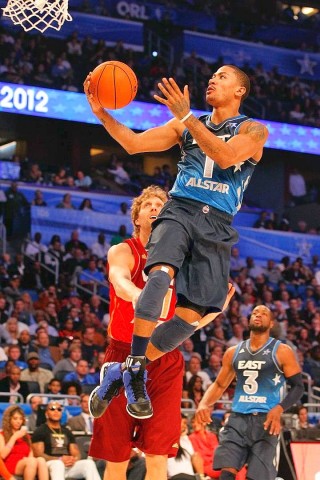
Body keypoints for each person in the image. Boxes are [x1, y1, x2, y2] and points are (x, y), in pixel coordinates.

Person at [84, 64, 269, 419]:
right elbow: (133, 143)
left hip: (217, 222)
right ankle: (135, 368)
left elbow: (227, 156)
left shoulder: (253, 130)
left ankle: (121, 369)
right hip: (180, 208)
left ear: (240, 91)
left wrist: (187, 117)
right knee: (160, 273)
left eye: (222, 76)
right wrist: (101, 113)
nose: (212, 79)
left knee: (193, 314)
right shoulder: (185, 124)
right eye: (212, 75)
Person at [195, 305, 304, 480]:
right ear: (249, 320)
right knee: (226, 473)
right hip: (237, 418)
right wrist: (204, 403)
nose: (258, 315)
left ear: (271, 324)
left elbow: (299, 387)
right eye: (254, 313)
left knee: (256, 476)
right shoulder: (233, 352)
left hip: (266, 421)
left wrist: (279, 408)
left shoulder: (282, 351)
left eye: (264, 313)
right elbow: (219, 384)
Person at [32, 401, 100, 480]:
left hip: (67, 465)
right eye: (52, 409)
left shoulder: (67, 431)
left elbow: (76, 453)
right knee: (58, 464)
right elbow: (38, 454)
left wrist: (73, 460)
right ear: (46, 413)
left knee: (89, 463)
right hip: (49, 465)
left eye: (59, 409)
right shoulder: (40, 430)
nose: (56, 411)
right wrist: (59, 459)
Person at [0, 405, 49, 480]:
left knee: (41, 460)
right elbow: (2, 455)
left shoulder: (26, 436)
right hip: (10, 464)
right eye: (15, 418)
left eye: (20, 419)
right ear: (9, 420)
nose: (18, 421)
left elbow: (30, 455)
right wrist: (14, 437)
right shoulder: (2, 435)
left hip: (27, 463)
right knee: (32, 461)